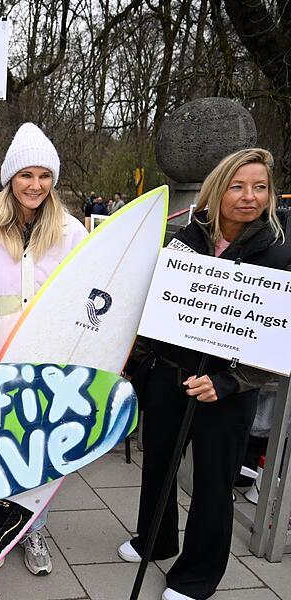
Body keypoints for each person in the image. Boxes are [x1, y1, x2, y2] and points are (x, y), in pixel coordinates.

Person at [117, 148, 291, 600]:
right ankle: (155, 539)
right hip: (167, 376)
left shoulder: (279, 251)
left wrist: (230, 382)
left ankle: (196, 574)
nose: (249, 196)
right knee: (158, 464)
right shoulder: (184, 236)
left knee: (214, 483)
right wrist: (139, 364)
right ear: (217, 189)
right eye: (238, 186)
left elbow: (277, 335)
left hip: (226, 389)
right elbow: (150, 303)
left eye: (260, 187)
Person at [0, 122, 87, 575]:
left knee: (40, 454)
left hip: (46, 367)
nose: (35, 185)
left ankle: (33, 530)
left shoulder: (71, 232)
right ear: (10, 178)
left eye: (44, 176)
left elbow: (85, 298)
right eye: (26, 176)